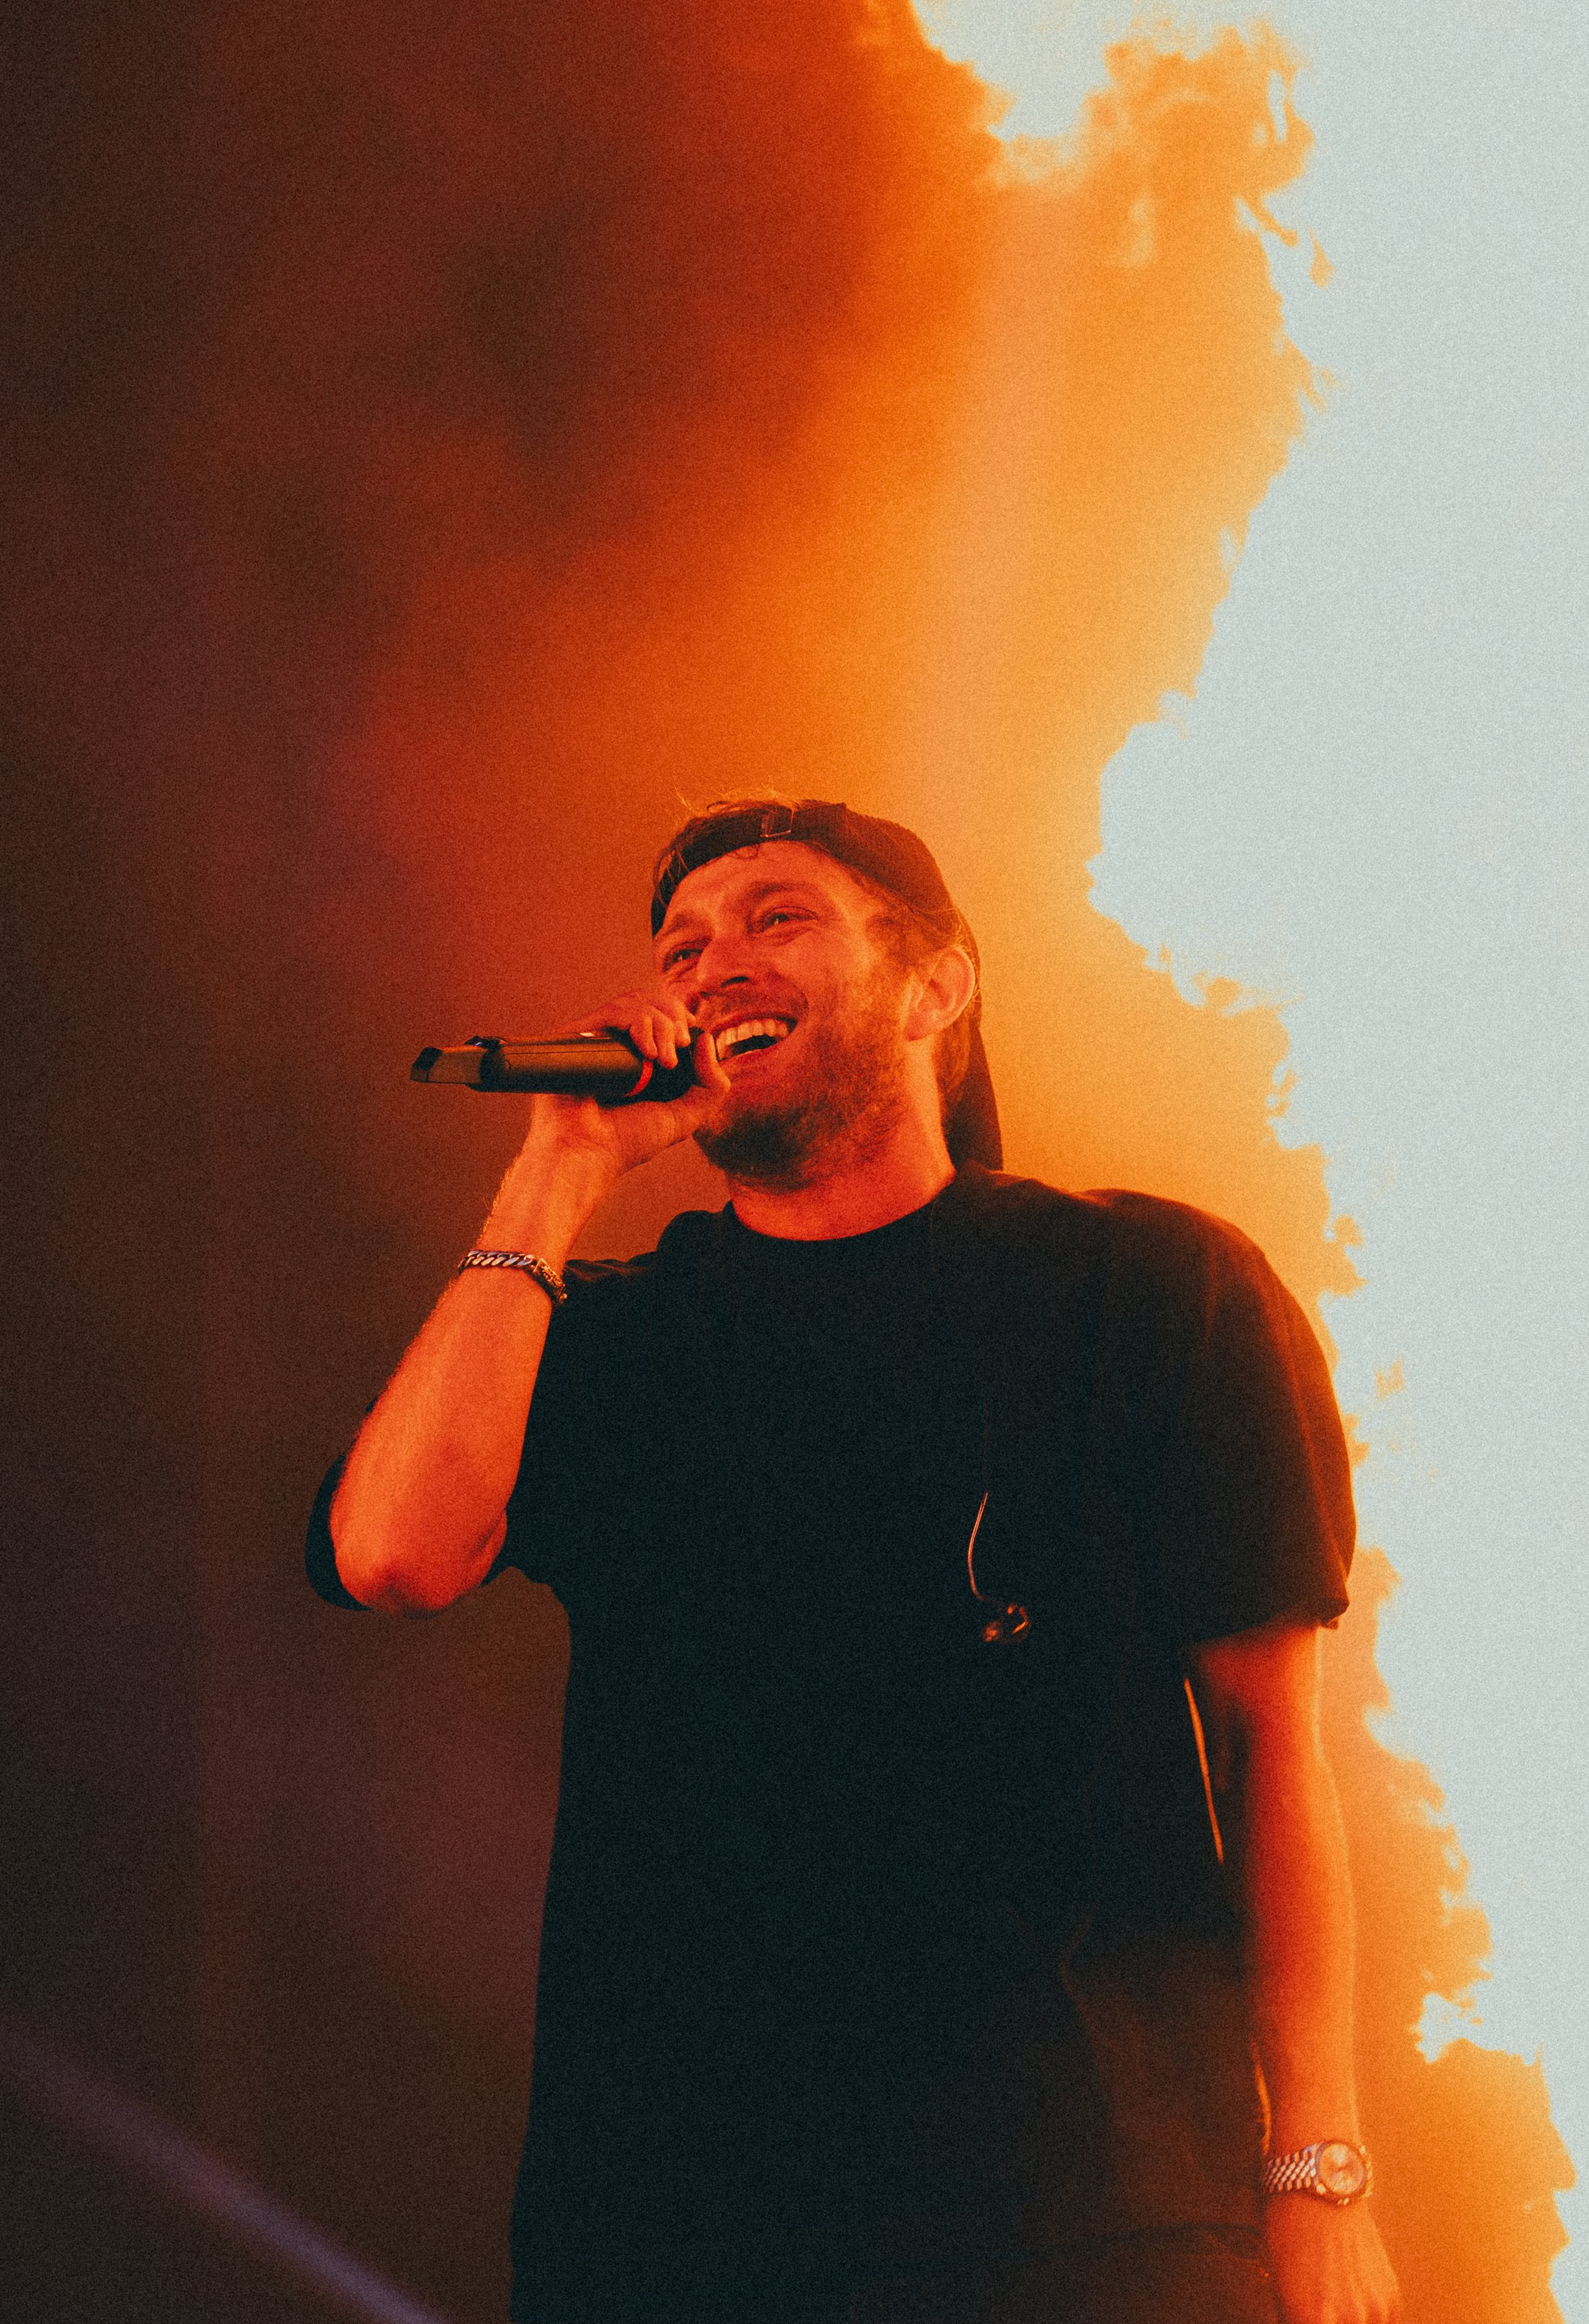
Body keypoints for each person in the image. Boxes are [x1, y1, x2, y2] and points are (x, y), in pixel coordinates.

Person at [308, 797, 1402, 2324]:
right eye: (679, 946)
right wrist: (555, 1172)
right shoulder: (610, 1339)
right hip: (671, 2226)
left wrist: (1315, 2173)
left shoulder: (1143, 1290)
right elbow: (391, 1555)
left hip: (1084, 2220)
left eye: (777, 918)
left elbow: (1272, 1752)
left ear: (936, 984)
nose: (713, 966)